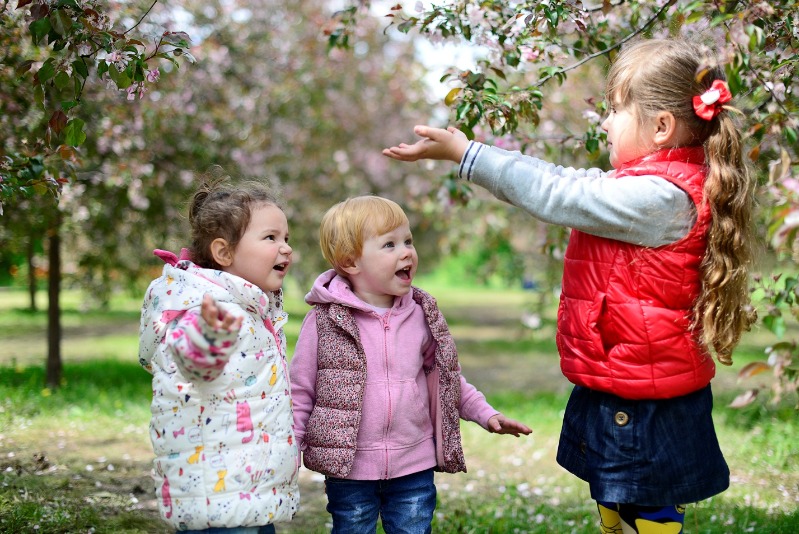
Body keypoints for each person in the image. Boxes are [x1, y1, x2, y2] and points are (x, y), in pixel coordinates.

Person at [383, 38, 755, 534]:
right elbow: (565, 179)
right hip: (626, 381)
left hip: (642, 398)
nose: (604, 122)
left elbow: (561, 195)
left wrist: (465, 153)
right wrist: (471, 153)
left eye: (616, 109)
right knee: (617, 498)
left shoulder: (659, 196)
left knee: (644, 506)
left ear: (661, 126)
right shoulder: (650, 185)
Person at [289, 195, 532, 533]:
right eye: (389, 244)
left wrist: (486, 413)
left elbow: (447, 379)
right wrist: (290, 448)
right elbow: (301, 391)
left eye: (408, 241)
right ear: (351, 261)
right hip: (350, 467)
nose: (406, 252)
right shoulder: (324, 322)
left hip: (413, 463)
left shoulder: (420, 315)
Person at [138, 175, 299, 533]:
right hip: (215, 493)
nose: (286, 247)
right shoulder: (202, 308)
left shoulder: (251, 307)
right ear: (224, 252)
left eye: (286, 238)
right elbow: (193, 360)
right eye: (271, 237)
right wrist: (209, 336)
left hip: (247, 487)